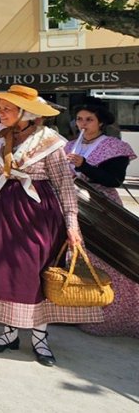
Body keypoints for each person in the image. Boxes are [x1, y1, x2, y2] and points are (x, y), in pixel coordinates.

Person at [0, 85, 103, 366]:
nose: (0, 112)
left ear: (24, 113)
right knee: (3, 273)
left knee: (34, 275)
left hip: (37, 218)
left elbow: (64, 185)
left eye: (6, 109)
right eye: (0, 108)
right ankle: (9, 333)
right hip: (0, 215)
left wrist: (72, 225)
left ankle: (40, 337)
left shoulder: (50, 141)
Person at [64, 103, 139, 338]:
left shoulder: (114, 147)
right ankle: (73, 308)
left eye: (89, 120)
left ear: (101, 123)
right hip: (72, 206)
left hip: (101, 209)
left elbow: (114, 180)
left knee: (105, 261)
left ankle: (109, 315)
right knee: (75, 258)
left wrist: (84, 166)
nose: (83, 124)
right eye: (79, 119)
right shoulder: (69, 145)